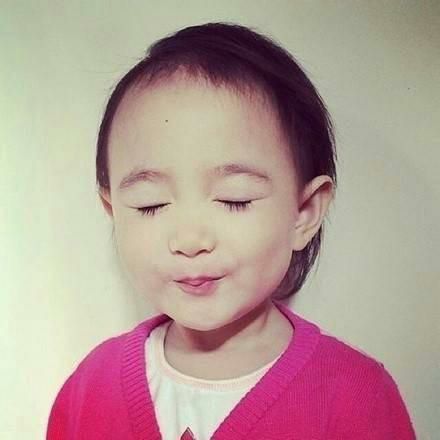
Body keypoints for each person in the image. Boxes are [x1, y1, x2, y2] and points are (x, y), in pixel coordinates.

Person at [46, 22, 416, 439]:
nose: (189, 241)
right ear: (114, 211)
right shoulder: (90, 386)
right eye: (150, 205)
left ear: (304, 212)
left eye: (234, 199)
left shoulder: (356, 396)